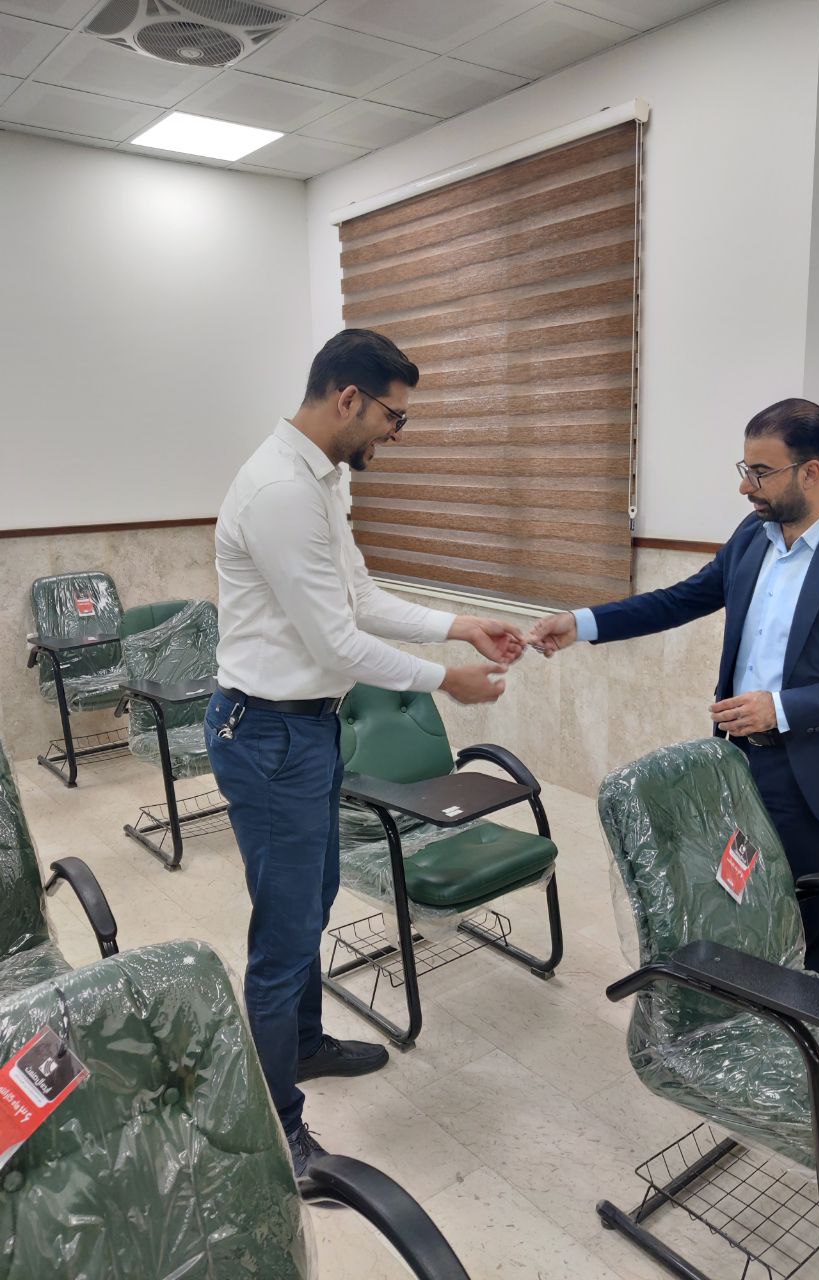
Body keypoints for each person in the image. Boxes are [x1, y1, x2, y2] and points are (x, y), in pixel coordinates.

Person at [205, 328, 523, 1177]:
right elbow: (337, 642)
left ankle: (304, 1044)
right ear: (348, 398)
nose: (396, 433)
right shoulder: (281, 491)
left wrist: (461, 624)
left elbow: (359, 598)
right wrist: (447, 681)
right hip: (267, 734)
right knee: (284, 933)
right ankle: (279, 1130)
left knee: (313, 900)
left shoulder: (320, 479)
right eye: (394, 416)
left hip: (307, 729)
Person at [526, 398, 819, 978]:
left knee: (813, 924)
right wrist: (582, 624)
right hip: (737, 764)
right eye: (745, 470)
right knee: (743, 905)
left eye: (760, 473)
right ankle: (751, 1016)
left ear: (811, 472)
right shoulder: (752, 536)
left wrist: (781, 708)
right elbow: (680, 599)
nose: (745, 488)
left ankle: (813, 1026)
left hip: (815, 781)